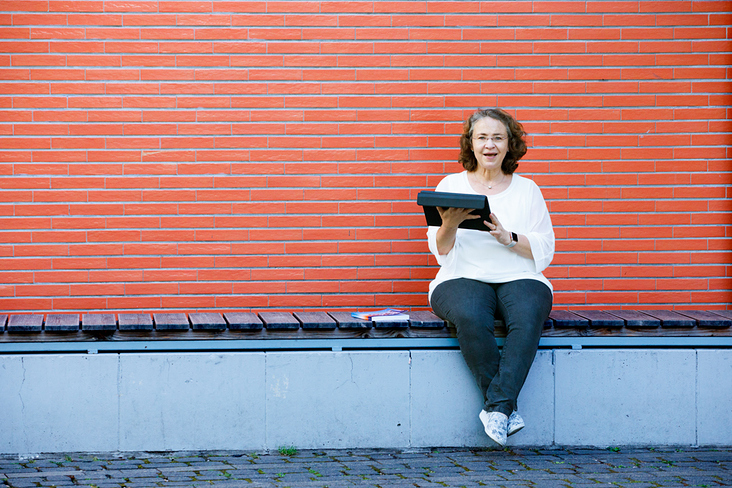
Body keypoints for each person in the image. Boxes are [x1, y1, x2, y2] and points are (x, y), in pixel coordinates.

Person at [426, 108, 554, 446]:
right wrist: (450, 223)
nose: (490, 145)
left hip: (519, 274)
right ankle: (503, 408)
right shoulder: (450, 185)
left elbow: (545, 248)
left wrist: (506, 236)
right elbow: (441, 251)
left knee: (528, 317)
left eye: (498, 137)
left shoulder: (527, 190)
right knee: (470, 315)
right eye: (482, 137)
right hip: (462, 273)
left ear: (510, 144)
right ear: (471, 143)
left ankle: (497, 408)